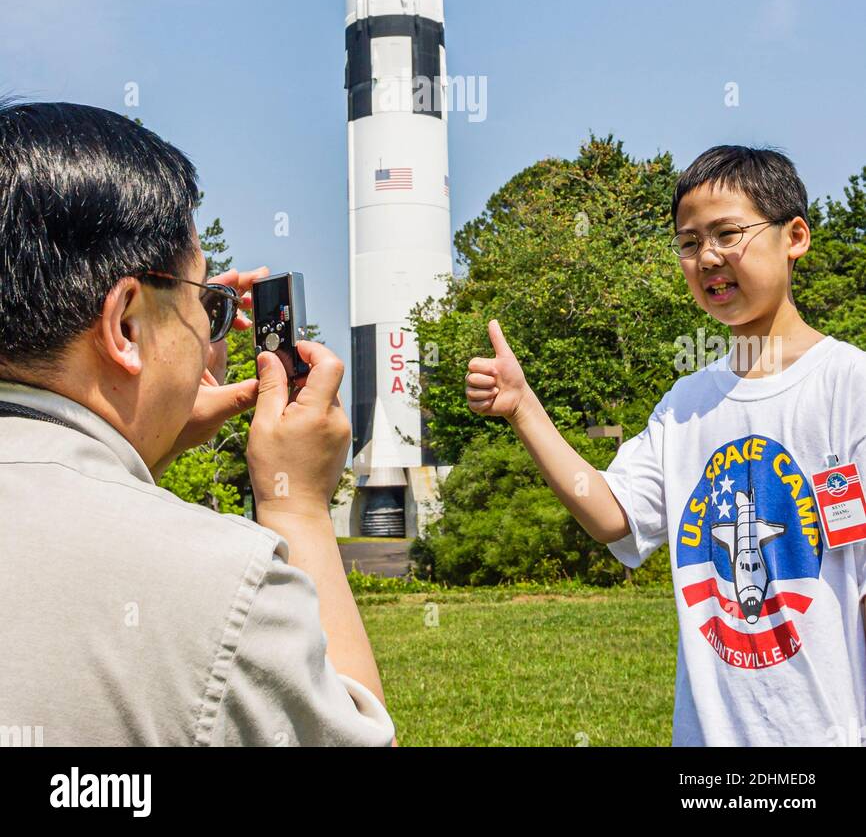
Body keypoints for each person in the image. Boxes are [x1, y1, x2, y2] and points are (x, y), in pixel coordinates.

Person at [0, 100, 395, 747]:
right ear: (127, 324)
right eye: (207, 305)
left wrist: (137, 442)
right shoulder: (221, 587)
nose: (215, 336)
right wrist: (297, 511)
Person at [466, 145, 866, 747]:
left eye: (728, 234)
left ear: (796, 237)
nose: (707, 257)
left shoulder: (850, 387)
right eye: (688, 242)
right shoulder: (685, 404)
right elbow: (611, 514)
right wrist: (525, 408)